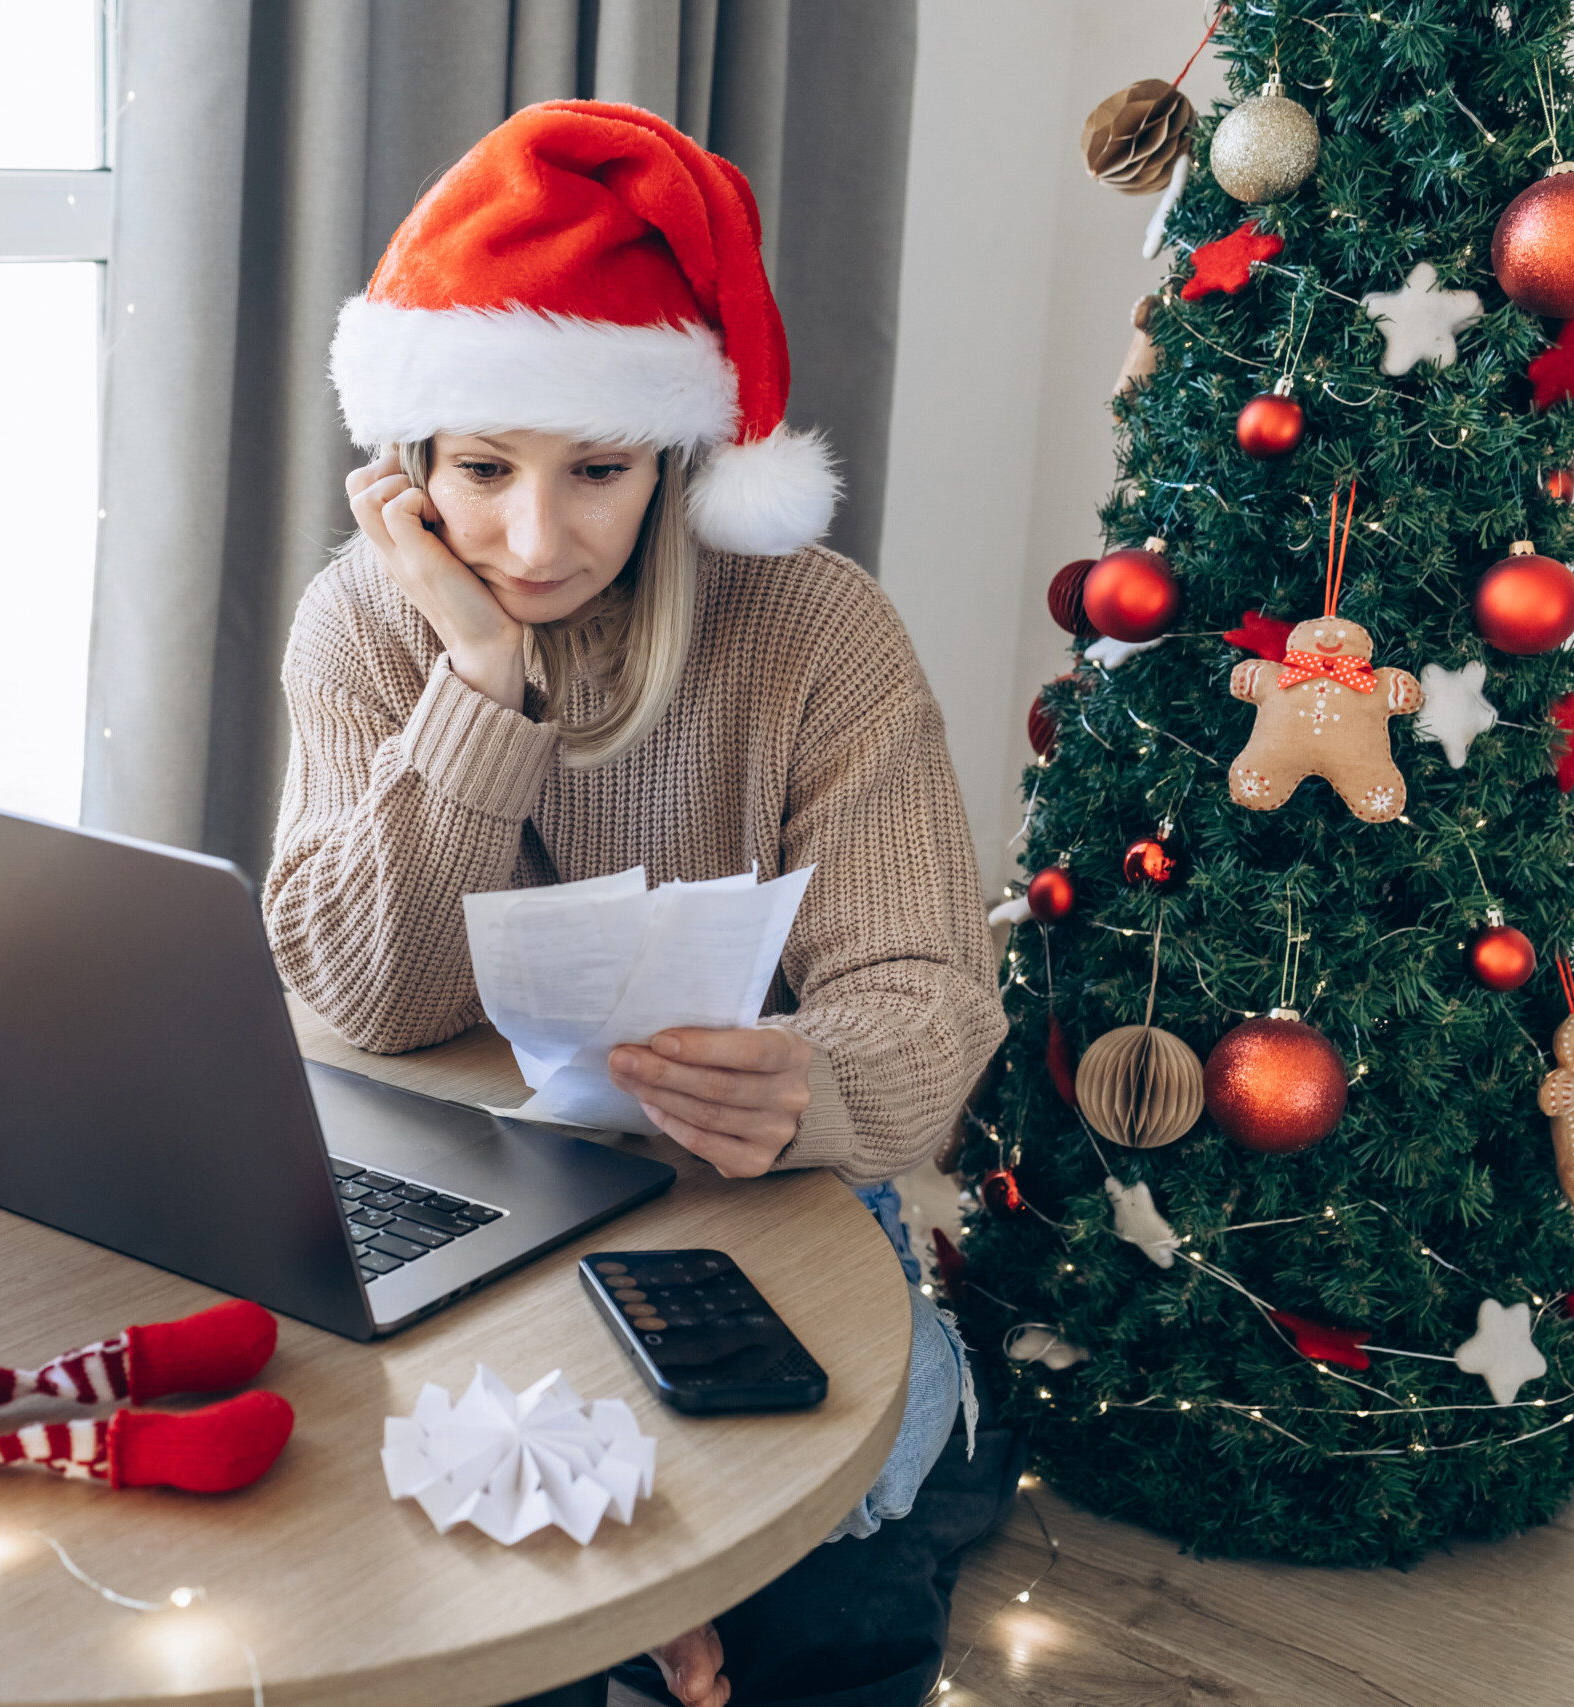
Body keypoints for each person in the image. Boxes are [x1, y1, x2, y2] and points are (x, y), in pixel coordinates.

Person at [262, 101, 1015, 1707]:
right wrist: (474, 682)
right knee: (423, 1590)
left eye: (596, 470)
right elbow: (360, 995)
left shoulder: (816, 630)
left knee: (836, 1598)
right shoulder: (363, 625)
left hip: (741, 1189)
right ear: (407, 469)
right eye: (481, 471)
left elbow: (929, 996)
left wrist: (811, 1079)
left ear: (678, 456)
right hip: (465, 1183)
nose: (534, 540)